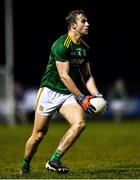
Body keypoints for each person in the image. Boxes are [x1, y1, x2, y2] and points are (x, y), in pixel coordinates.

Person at [20, 9, 103, 175]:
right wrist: (81, 98)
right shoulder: (61, 45)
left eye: (87, 21)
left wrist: (97, 96)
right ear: (73, 25)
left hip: (67, 95)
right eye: (84, 21)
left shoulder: (84, 47)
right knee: (38, 135)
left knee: (79, 124)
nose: (88, 24)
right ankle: (25, 165)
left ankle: (54, 160)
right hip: (49, 92)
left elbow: (87, 76)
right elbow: (64, 76)